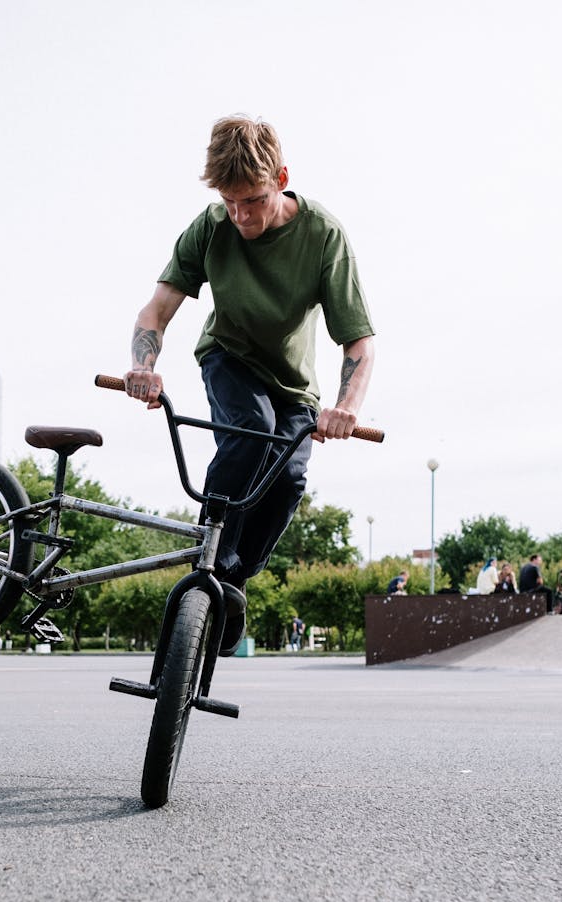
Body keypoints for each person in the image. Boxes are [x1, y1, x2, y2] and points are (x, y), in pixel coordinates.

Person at [124, 115, 375, 656]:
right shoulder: (211, 226)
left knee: (288, 480)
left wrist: (346, 408)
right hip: (228, 358)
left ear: (282, 178)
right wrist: (142, 364)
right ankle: (207, 556)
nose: (241, 216)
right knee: (251, 431)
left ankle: (233, 579)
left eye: (253, 201)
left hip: (296, 389)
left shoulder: (323, 236)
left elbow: (358, 343)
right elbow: (156, 310)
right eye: (230, 202)